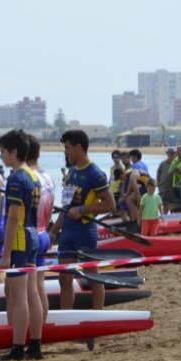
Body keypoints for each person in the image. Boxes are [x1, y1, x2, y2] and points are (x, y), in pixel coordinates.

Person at [49, 130, 116, 311]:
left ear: (79, 147)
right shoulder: (70, 172)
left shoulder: (96, 173)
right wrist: (53, 231)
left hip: (85, 231)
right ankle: (65, 318)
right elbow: (65, 206)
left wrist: (83, 209)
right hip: (68, 232)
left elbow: (110, 204)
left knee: (92, 277)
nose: (66, 152)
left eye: (68, 148)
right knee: (64, 278)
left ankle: (98, 316)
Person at [0, 129, 43, 361]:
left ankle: (17, 348)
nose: (1, 156)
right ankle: (35, 345)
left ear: (14, 152)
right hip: (33, 235)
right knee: (32, 293)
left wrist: (5, 254)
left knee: (19, 297)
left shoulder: (16, 178)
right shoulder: (34, 175)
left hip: (20, 241)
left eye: (3, 152)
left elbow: (13, 218)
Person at [26, 135, 54, 321]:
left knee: (29, 290)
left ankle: (33, 332)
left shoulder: (27, 177)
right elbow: (50, 211)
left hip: (31, 235)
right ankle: (43, 325)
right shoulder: (48, 177)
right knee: (40, 285)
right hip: (44, 233)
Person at [156, 148, 175, 214]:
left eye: (172, 153)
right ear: (167, 154)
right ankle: (164, 219)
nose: (171, 155)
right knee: (164, 204)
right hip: (163, 187)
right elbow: (158, 172)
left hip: (173, 187)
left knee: (173, 205)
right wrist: (158, 183)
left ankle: (173, 219)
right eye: (169, 153)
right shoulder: (163, 163)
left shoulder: (176, 163)